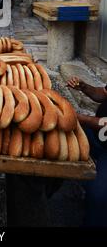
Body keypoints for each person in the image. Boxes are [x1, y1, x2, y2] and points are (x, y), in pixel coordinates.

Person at [67, 76, 107, 227]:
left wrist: (81, 118)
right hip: (98, 136)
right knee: (65, 136)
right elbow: (103, 93)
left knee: (98, 196)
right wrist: (84, 87)